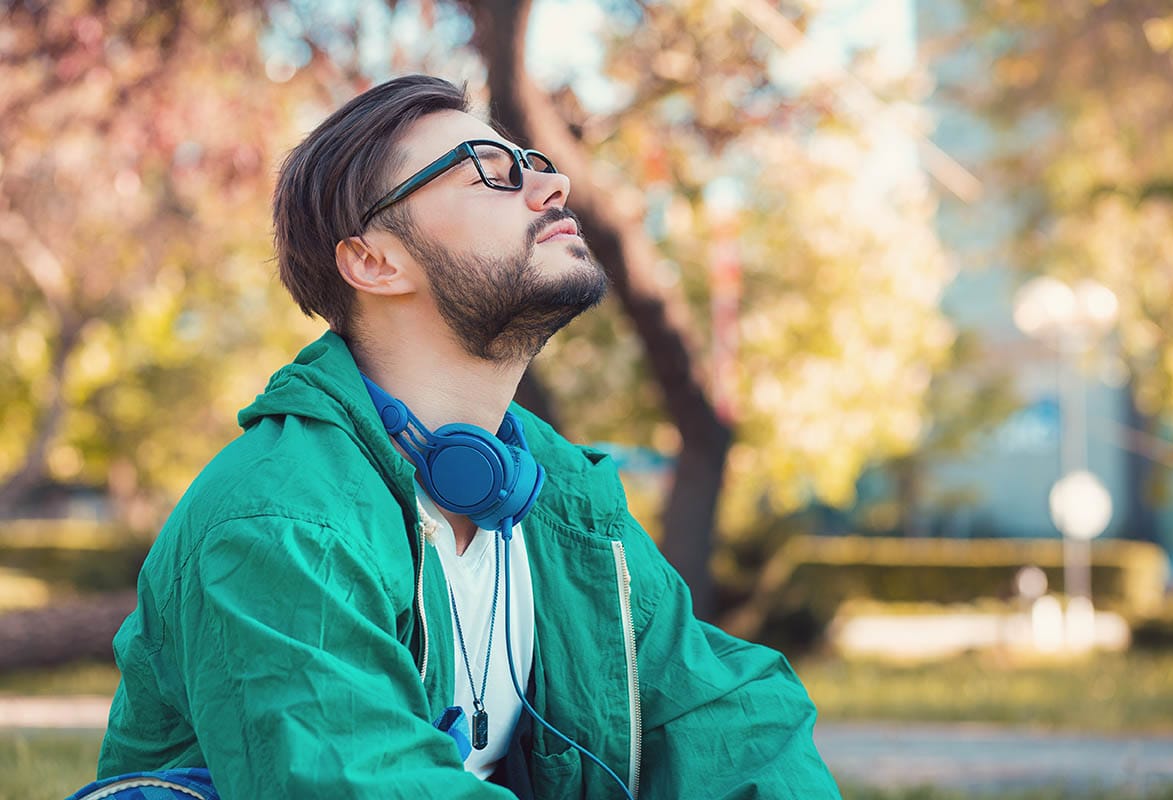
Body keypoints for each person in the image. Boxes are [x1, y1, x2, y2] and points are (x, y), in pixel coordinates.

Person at [96, 74, 842, 799]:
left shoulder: (564, 500)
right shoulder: (279, 520)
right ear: (373, 261)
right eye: (487, 172)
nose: (553, 188)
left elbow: (733, 718)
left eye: (535, 166)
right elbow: (361, 783)